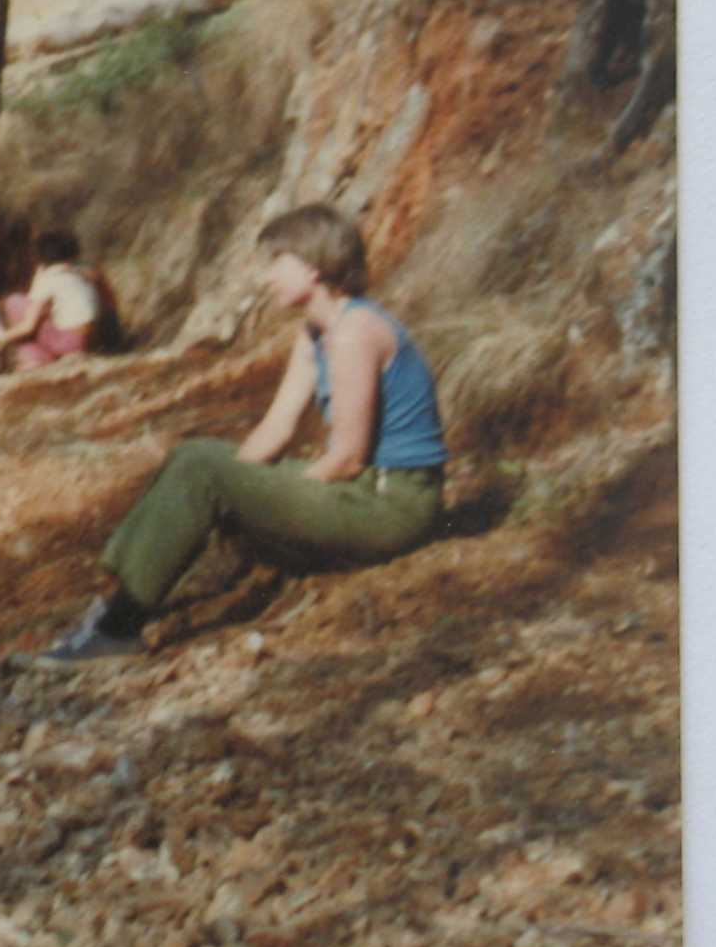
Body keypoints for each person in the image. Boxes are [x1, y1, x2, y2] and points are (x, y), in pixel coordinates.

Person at [33, 203, 445, 665]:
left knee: (204, 468)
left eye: (276, 263)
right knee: (199, 457)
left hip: (393, 505)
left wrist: (251, 494)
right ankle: (119, 594)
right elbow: (277, 427)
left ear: (312, 268)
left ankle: (118, 627)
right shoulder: (317, 333)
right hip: (366, 489)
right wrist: (240, 491)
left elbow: (347, 458)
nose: (267, 277)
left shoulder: (354, 333)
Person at [0, 224, 109, 370]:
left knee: (15, 302)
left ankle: (35, 360)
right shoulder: (83, 272)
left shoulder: (50, 278)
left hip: (69, 342)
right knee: (42, 311)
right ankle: (51, 357)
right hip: (91, 339)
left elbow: (28, 325)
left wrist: (0, 338)